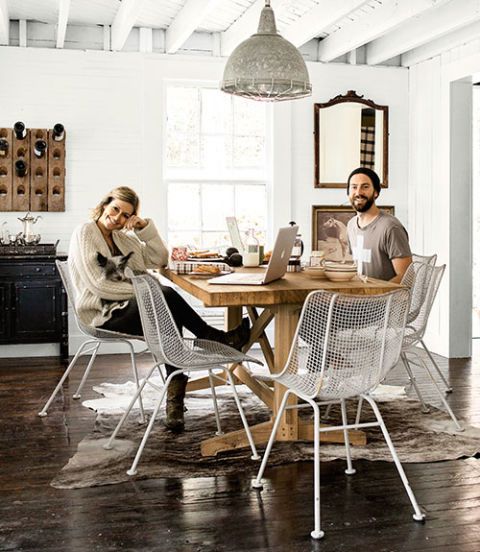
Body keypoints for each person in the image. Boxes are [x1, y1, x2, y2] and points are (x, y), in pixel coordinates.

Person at [68, 186, 250, 433]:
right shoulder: (85, 233)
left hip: (131, 306)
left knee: (164, 309)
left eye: (125, 215)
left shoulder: (123, 238)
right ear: (105, 204)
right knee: (163, 297)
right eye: (115, 209)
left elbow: (160, 258)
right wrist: (148, 293)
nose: (118, 218)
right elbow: (100, 285)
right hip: (103, 313)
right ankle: (206, 344)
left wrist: (144, 228)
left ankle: (176, 396)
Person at [346, 167, 412, 283]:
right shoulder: (351, 225)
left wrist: (377, 296)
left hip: (385, 299)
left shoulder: (391, 227)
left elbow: (407, 278)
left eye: (365, 187)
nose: (358, 192)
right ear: (348, 193)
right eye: (354, 187)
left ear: (376, 192)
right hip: (360, 297)